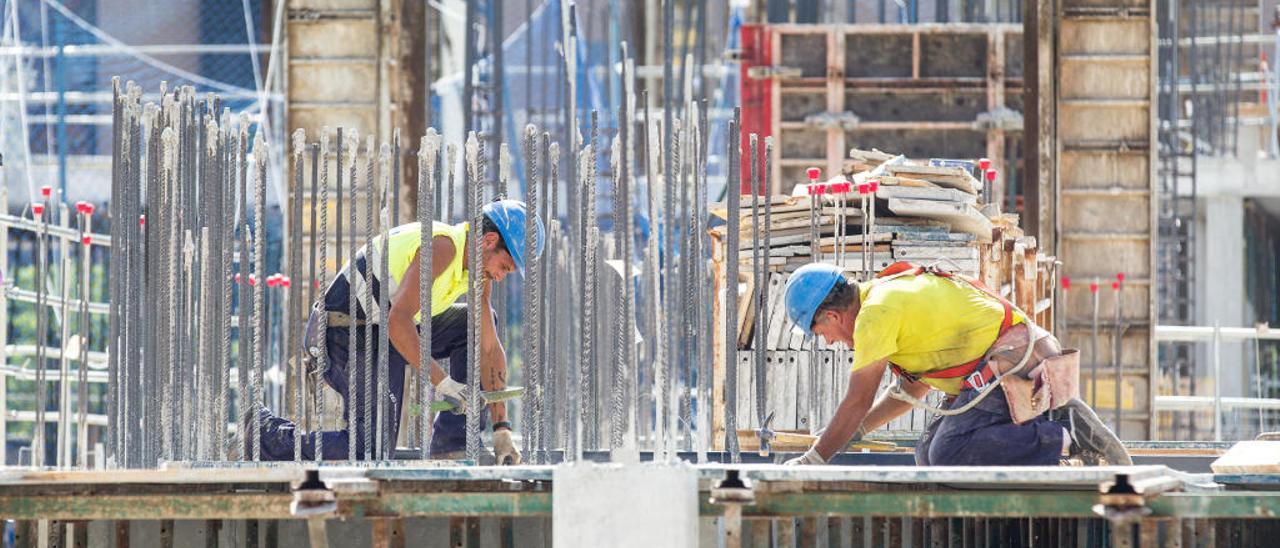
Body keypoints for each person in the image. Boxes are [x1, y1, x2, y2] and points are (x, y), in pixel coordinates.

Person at [251, 199, 544, 463]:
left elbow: (489, 347)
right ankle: (264, 436)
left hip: (382, 330)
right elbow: (398, 322)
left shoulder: (479, 272)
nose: (502, 276)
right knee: (370, 450)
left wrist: (501, 428)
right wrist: (443, 384)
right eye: (505, 266)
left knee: (474, 324)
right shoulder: (443, 247)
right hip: (346, 333)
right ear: (489, 240)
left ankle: (452, 443)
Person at [780, 262, 1131, 466]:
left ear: (831, 315)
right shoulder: (882, 296)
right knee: (928, 456)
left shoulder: (875, 315)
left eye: (821, 331)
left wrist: (811, 461)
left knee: (949, 452)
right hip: (1007, 360)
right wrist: (859, 430)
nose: (828, 340)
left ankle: (1064, 432)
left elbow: (856, 400)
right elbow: (912, 389)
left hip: (1014, 361)